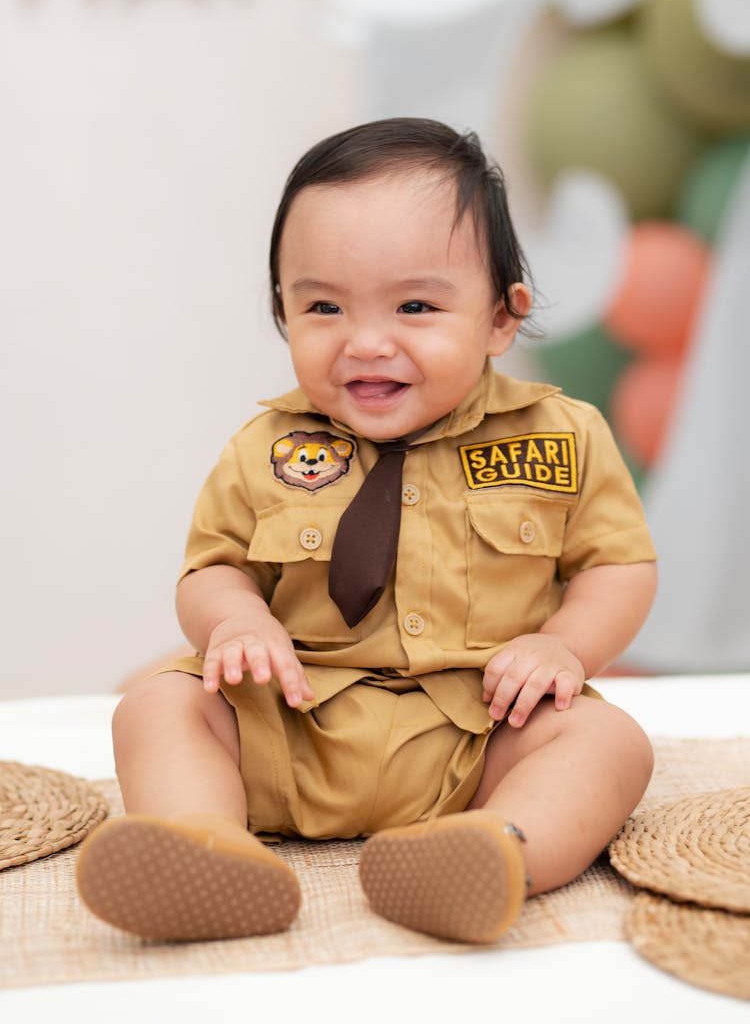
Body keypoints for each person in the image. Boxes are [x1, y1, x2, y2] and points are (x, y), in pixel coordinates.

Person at [76, 117, 657, 945]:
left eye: (416, 305)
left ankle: (494, 848)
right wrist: (236, 621)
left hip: (478, 742)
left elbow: (619, 565)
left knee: (609, 740)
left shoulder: (563, 439)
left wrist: (565, 645)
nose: (367, 341)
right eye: (323, 306)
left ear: (501, 318)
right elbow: (211, 568)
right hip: (293, 726)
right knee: (159, 703)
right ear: (282, 312)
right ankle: (205, 842)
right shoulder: (263, 449)